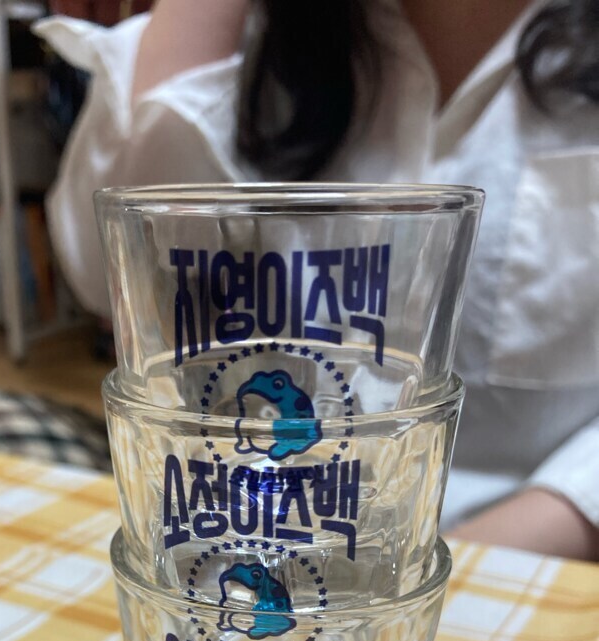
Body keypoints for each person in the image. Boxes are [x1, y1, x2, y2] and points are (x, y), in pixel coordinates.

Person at [36, 0, 599, 560]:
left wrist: (462, 557)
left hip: (519, 543)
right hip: (231, 516)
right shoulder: (262, 41)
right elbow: (111, 277)